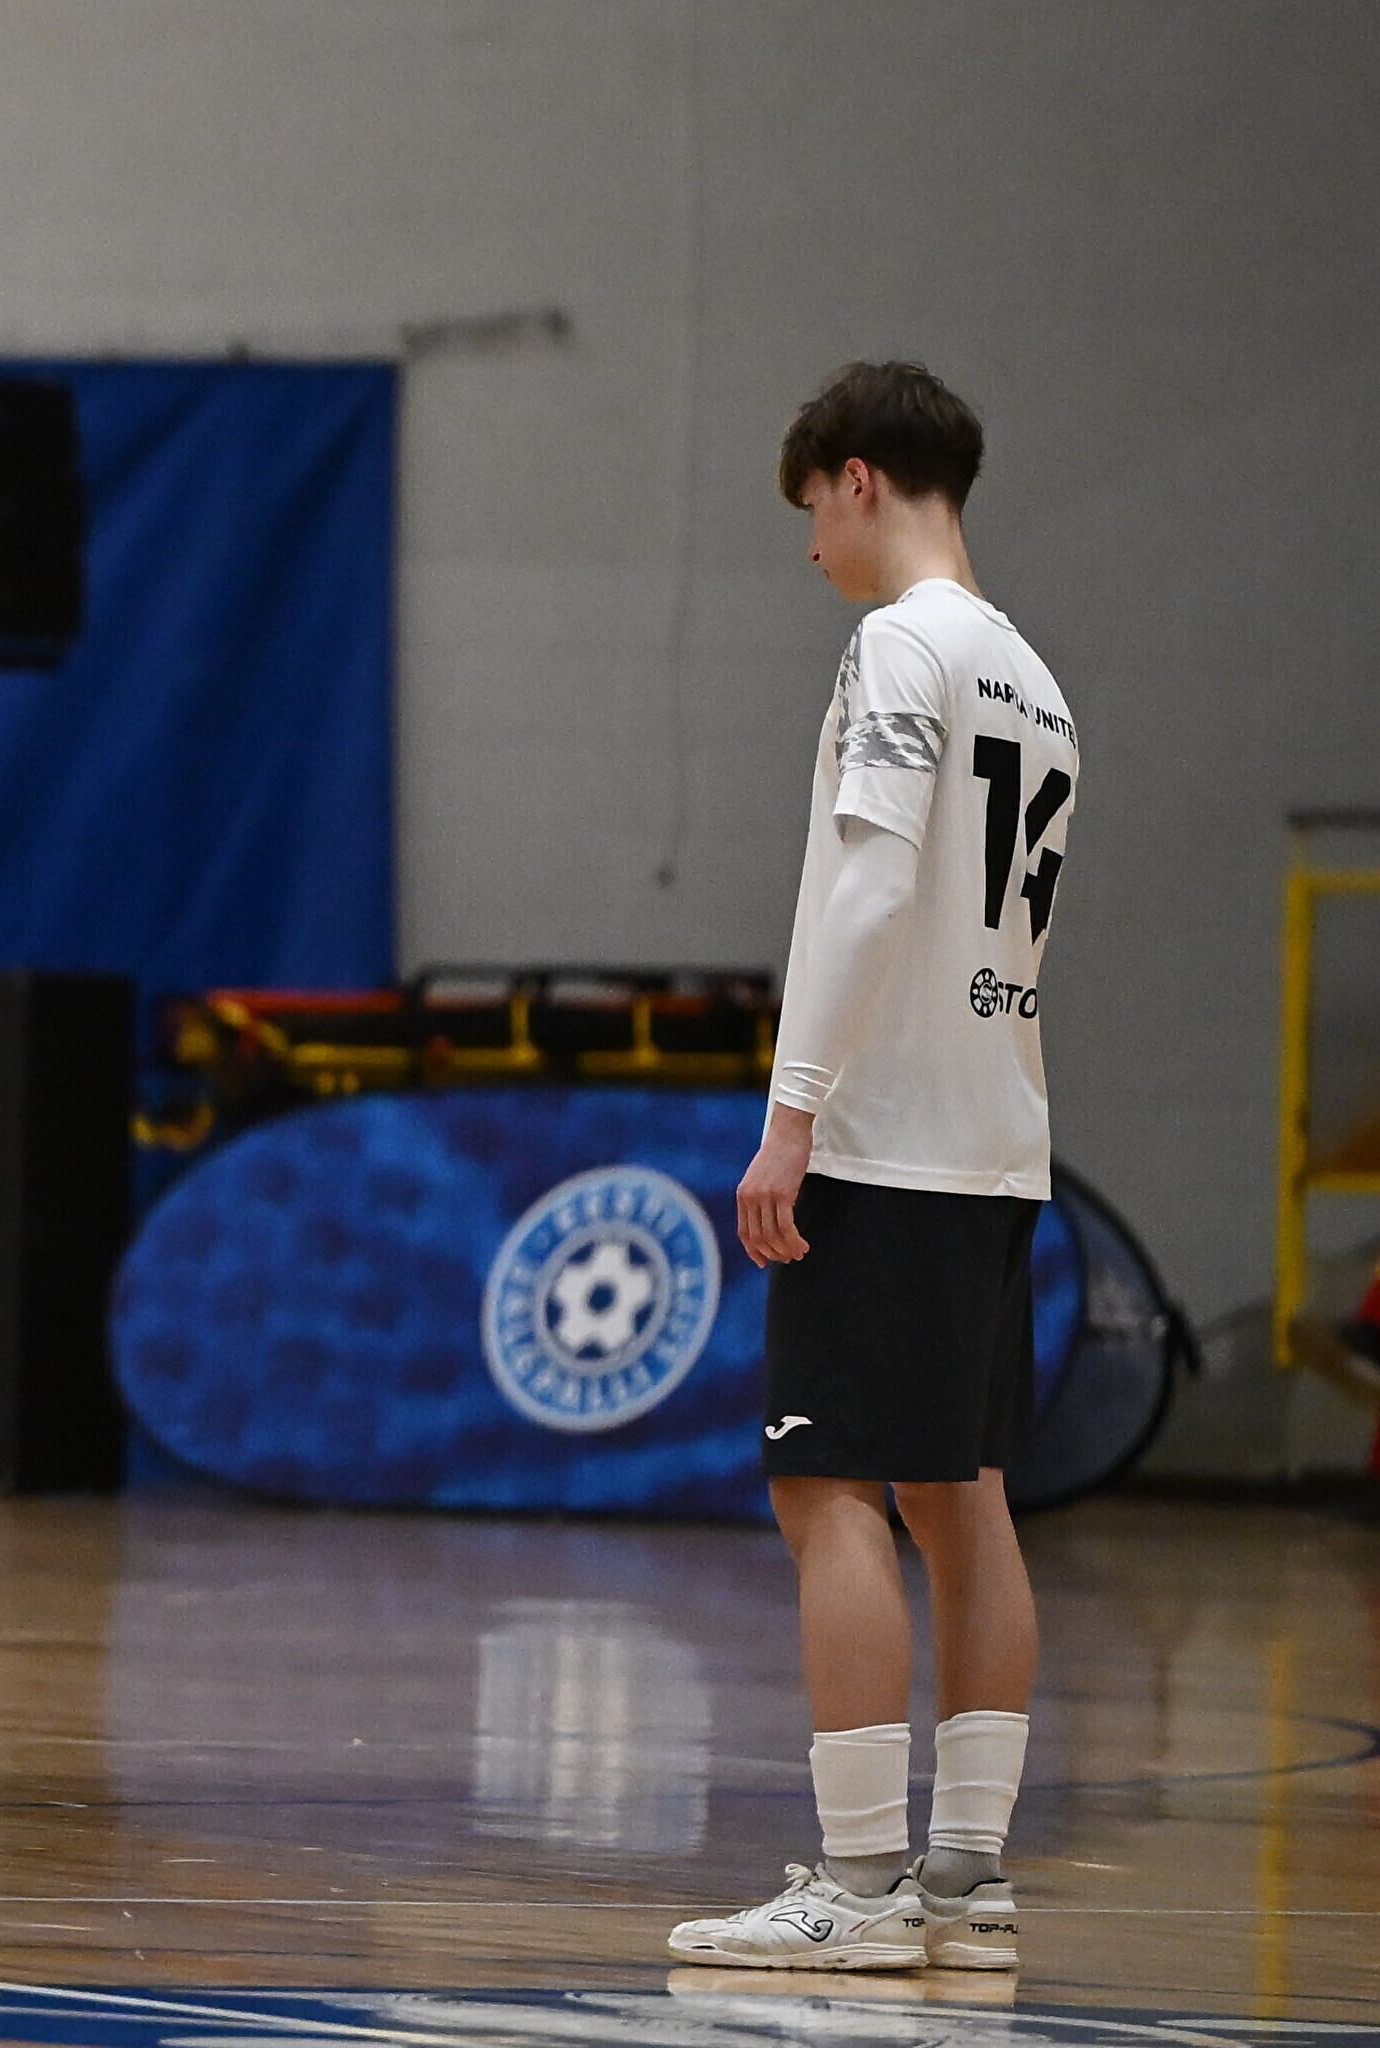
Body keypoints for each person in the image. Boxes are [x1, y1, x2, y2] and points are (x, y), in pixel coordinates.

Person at [671, 362, 1070, 1971]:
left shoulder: (902, 643)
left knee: (824, 1486)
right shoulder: (1036, 678)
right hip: (998, 1136)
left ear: (857, 478)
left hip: (888, 1137)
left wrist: (793, 1113)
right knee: (962, 1498)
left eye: (810, 513)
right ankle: (965, 1880)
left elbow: (871, 885)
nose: (810, 549)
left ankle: (854, 1885)